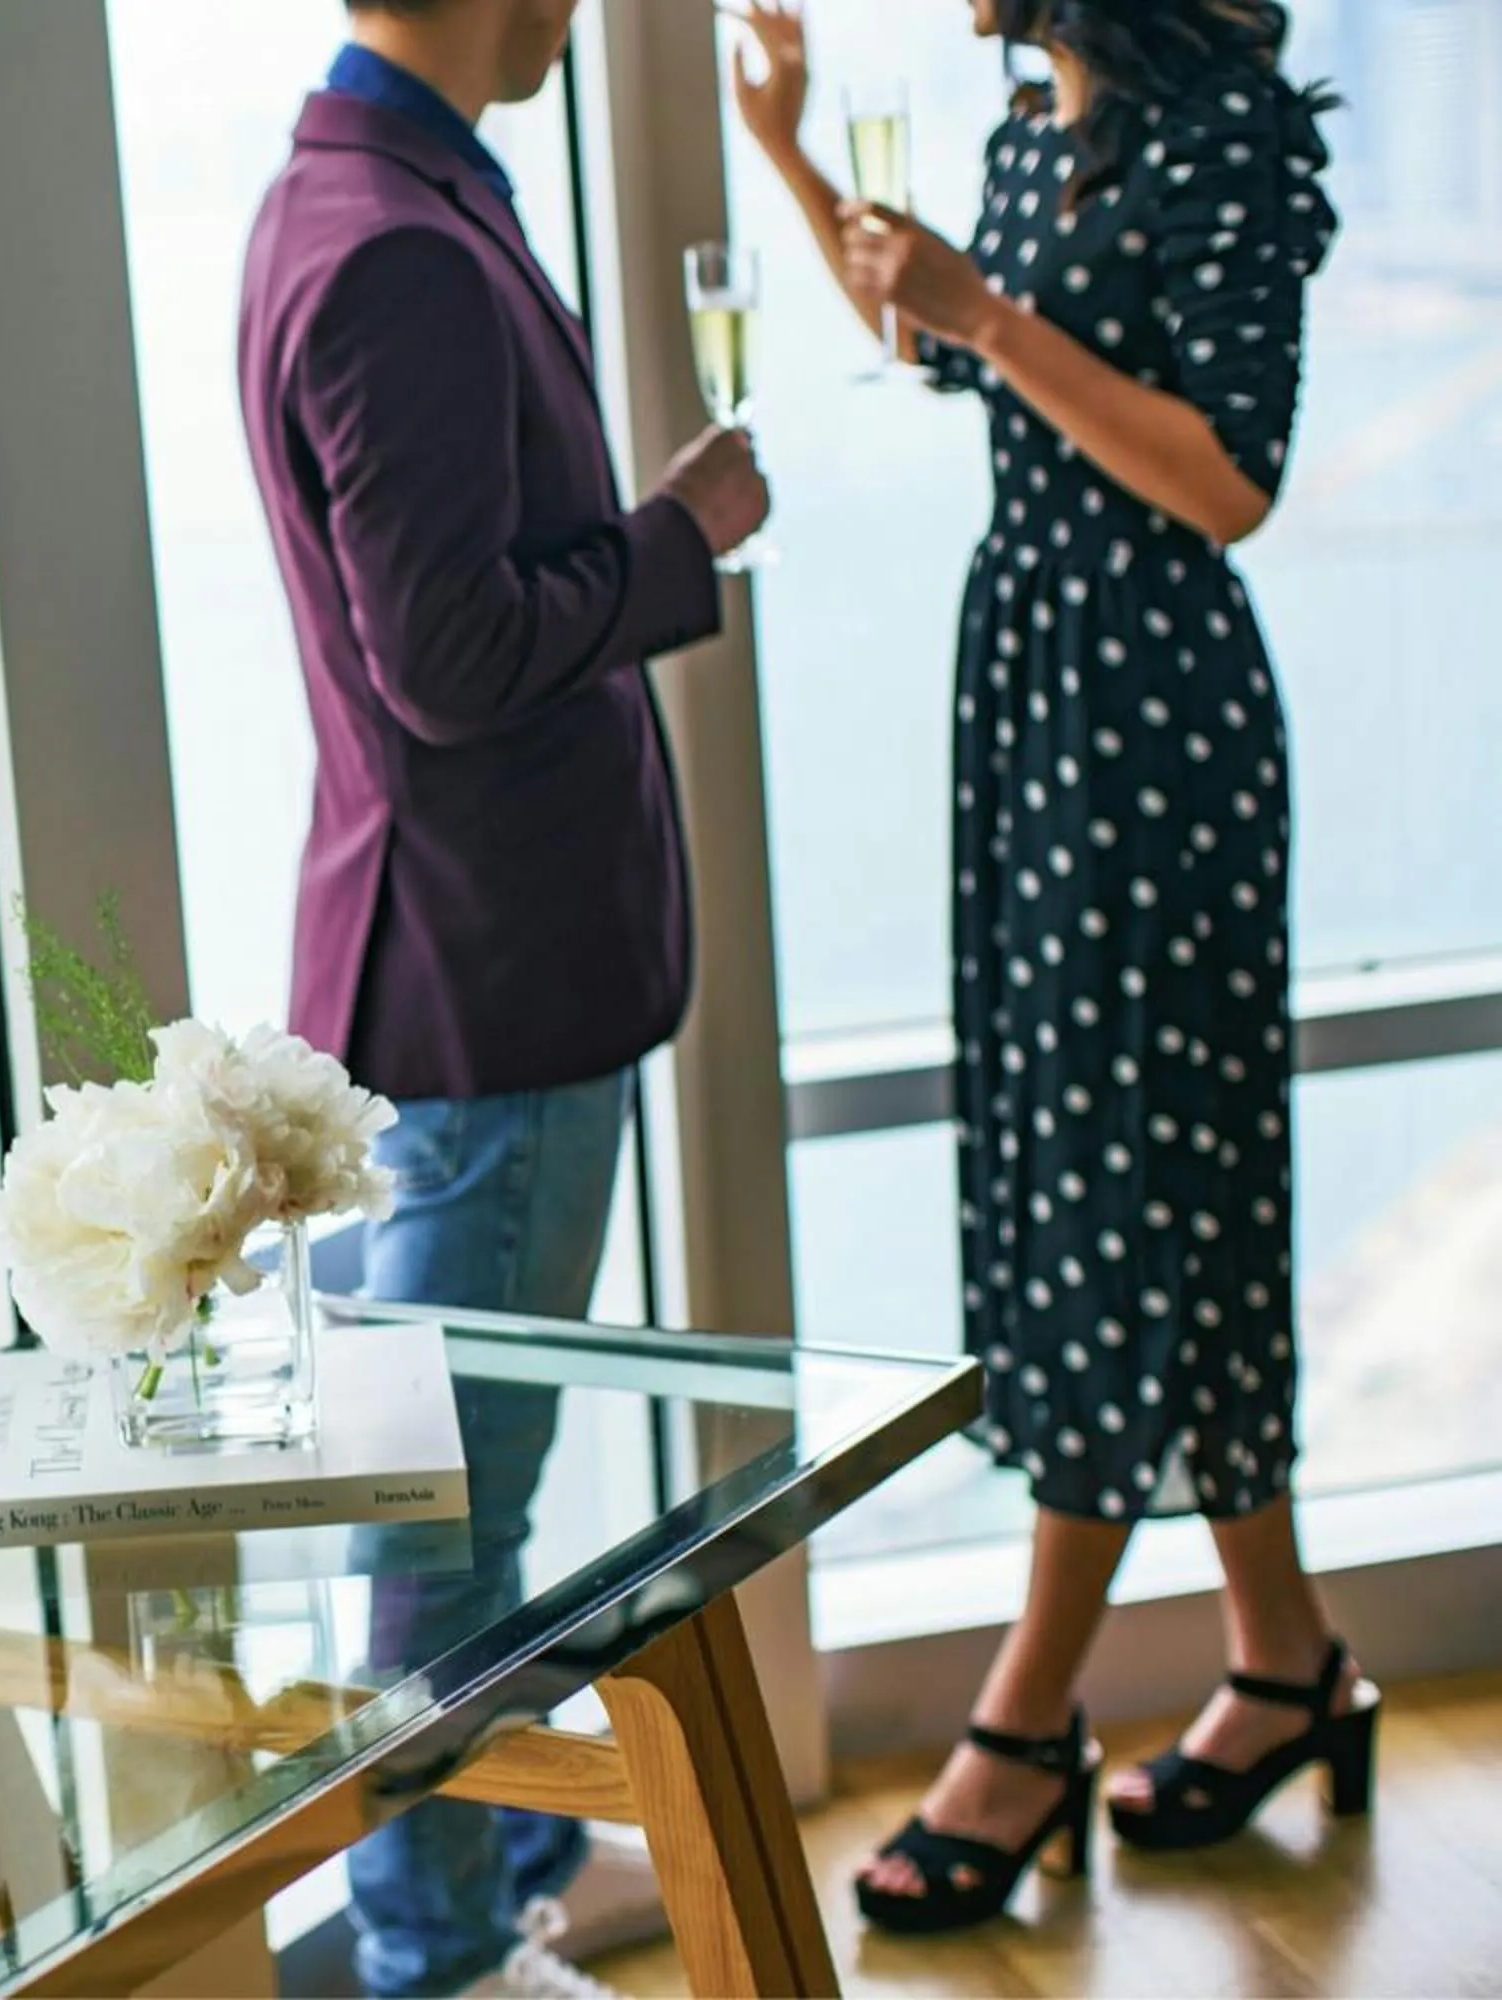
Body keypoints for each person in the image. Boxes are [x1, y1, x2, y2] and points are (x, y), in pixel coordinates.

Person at [734, 0, 1366, 1936]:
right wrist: (792, 150)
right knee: (1123, 1170)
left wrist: (994, 318)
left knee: (1118, 1184)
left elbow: (1225, 477)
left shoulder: (1234, 139)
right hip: (1030, 678)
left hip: (1154, 707)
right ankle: (1285, 1661)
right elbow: (942, 351)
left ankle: (1022, 1724)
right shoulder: (1030, 129)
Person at [238, 1, 769, 1989]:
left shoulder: (357, 197)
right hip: (493, 1006)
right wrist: (680, 540)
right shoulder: (389, 243)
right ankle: (432, 1954)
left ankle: (465, 1898)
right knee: (446, 1525)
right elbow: (450, 657)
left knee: (449, 1500)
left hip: (461, 989)